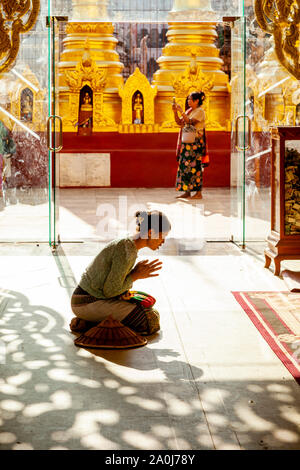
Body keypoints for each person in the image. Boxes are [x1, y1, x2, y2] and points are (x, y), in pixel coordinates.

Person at [70, 210, 171, 336]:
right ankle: (90, 321)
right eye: (163, 236)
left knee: (145, 304)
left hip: (92, 300)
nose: (163, 241)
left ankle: (92, 320)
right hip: (86, 303)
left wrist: (132, 277)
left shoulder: (129, 245)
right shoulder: (125, 250)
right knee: (149, 320)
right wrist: (135, 276)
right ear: (151, 232)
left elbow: (113, 287)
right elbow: (110, 291)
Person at [172, 91, 206, 199]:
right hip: (187, 142)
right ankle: (187, 191)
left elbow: (190, 122)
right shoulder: (189, 111)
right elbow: (180, 122)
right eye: (188, 99)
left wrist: (181, 111)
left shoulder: (200, 111)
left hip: (195, 143)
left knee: (195, 167)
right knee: (184, 166)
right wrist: (175, 112)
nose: (188, 101)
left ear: (197, 101)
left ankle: (198, 193)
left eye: (190, 99)